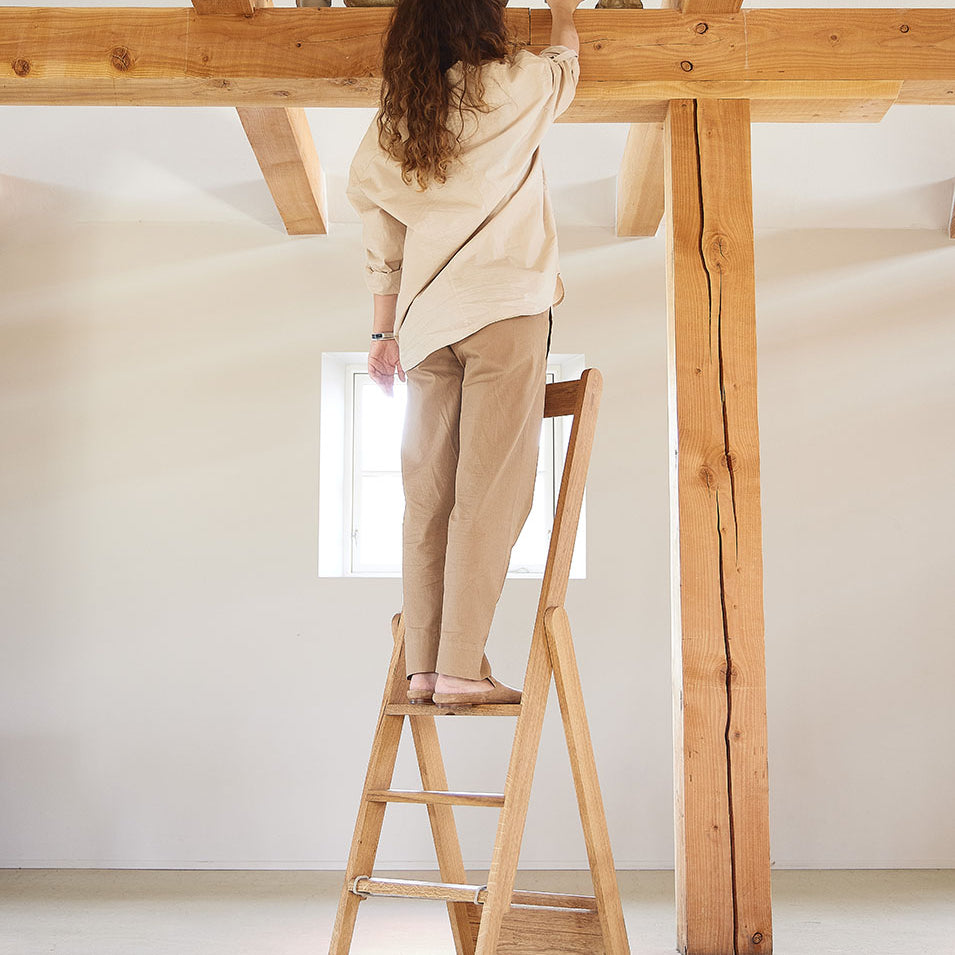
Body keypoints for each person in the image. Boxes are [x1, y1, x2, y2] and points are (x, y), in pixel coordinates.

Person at [345, 0, 581, 705]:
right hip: (504, 308)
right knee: (490, 490)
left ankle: (423, 665)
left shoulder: (397, 120)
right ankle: (457, 665)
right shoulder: (514, 84)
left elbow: (381, 231)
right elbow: (566, 65)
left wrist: (381, 332)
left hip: (423, 324)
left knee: (428, 496)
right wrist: (564, 11)